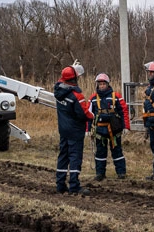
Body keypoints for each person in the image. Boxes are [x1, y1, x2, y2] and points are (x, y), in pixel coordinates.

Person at [54, 62, 94, 196]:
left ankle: (60, 184)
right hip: (75, 131)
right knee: (75, 157)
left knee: (63, 156)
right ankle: (74, 186)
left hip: (63, 130)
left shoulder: (58, 91)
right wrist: (92, 116)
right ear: (74, 79)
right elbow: (83, 114)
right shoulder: (77, 96)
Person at [87, 73, 131, 181]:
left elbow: (124, 111)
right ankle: (100, 174)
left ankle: (121, 173)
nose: (101, 86)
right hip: (100, 130)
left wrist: (126, 127)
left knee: (117, 152)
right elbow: (88, 114)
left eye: (103, 84)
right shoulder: (93, 98)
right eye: (100, 84)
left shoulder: (116, 97)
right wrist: (87, 129)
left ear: (107, 84)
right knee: (100, 153)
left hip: (114, 130)